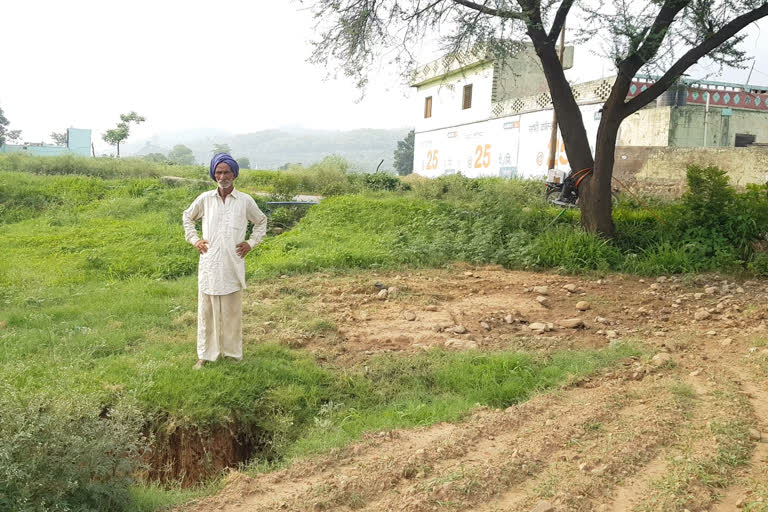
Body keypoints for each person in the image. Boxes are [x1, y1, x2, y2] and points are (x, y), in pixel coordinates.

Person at [182, 153, 267, 370]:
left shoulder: (245, 200)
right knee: (206, 312)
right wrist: (195, 240)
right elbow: (187, 217)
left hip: (232, 264)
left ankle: (233, 354)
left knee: (231, 313)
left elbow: (261, 221)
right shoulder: (205, 199)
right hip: (209, 264)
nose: (222, 176)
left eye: (226, 172)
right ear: (213, 175)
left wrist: (251, 243)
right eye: (218, 172)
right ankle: (206, 355)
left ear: (234, 174)